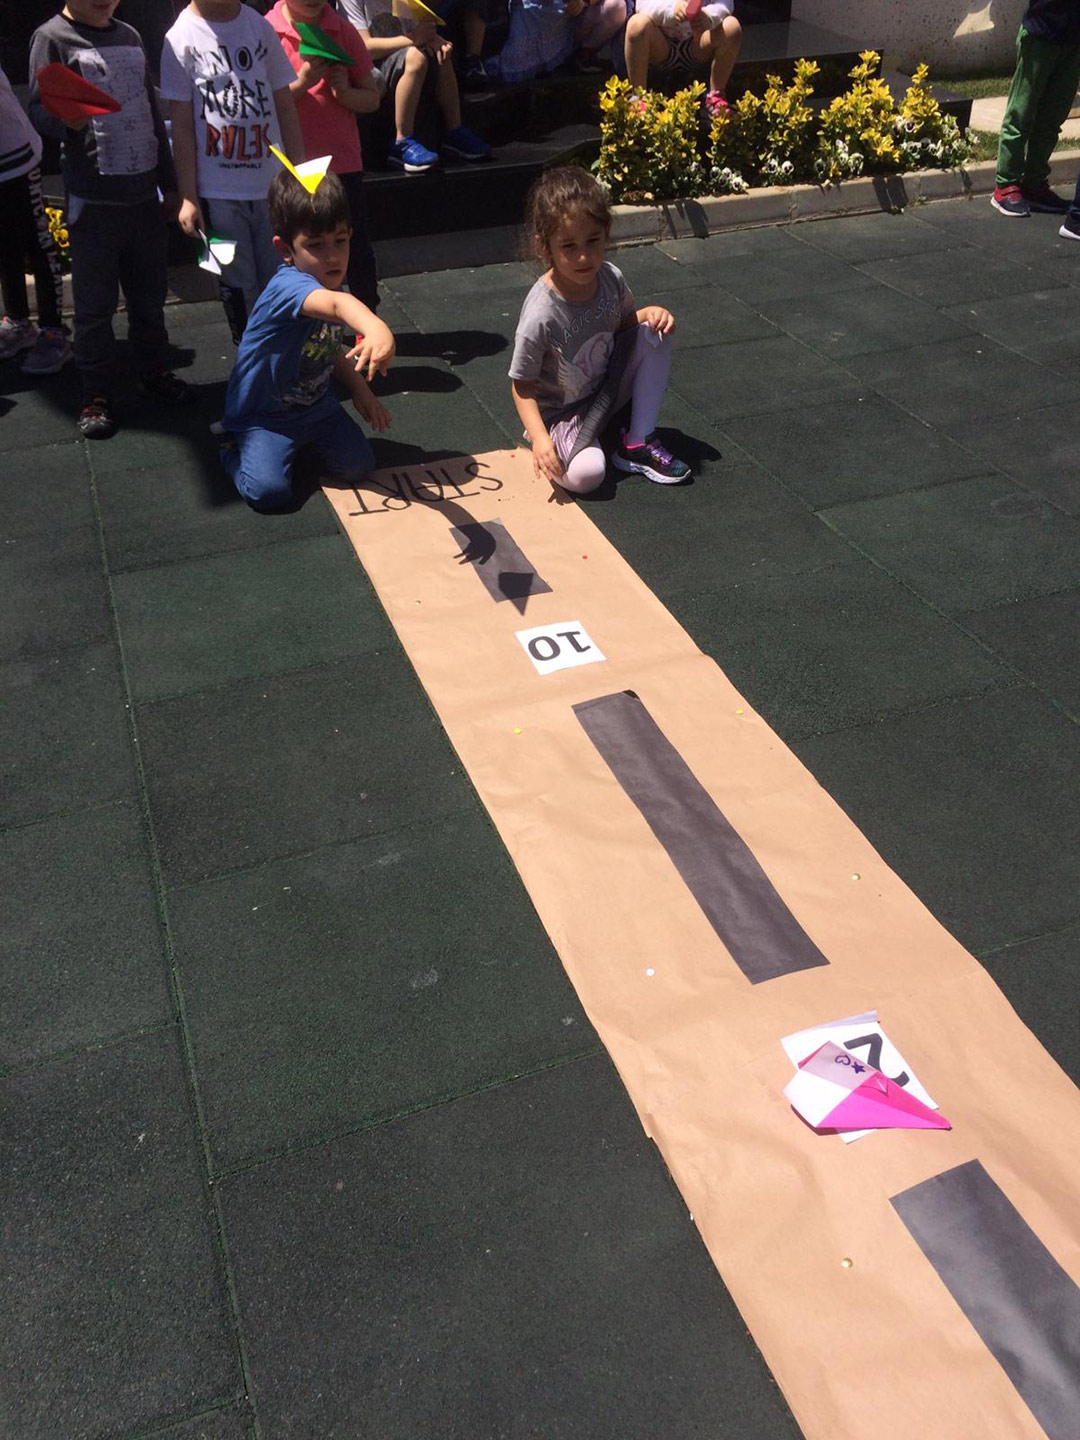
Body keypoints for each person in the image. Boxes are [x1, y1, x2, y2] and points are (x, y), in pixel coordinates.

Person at [28, 0, 189, 438]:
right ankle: (96, 392)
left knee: (149, 295)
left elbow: (151, 111)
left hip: (144, 196)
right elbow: (38, 109)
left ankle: (153, 370)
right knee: (94, 307)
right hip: (94, 202)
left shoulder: (130, 35)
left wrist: (170, 184)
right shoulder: (52, 38)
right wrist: (68, 122)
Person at [219, 166, 395, 511]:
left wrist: (360, 390)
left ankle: (301, 446)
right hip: (265, 416)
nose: (332, 256)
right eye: (315, 245)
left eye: (340, 241)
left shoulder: (330, 283)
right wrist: (377, 328)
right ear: (285, 249)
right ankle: (230, 448)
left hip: (316, 408)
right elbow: (339, 305)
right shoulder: (289, 287)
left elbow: (327, 350)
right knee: (268, 493)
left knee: (358, 467)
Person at [509, 165, 690, 495]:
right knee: (587, 475)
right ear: (544, 247)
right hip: (562, 415)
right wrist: (539, 438)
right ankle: (595, 436)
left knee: (656, 331)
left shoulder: (610, 278)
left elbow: (621, 327)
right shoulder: (541, 313)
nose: (584, 256)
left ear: (606, 234)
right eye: (569, 246)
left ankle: (637, 442)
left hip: (605, 390)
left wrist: (649, 314)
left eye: (593, 241)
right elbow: (521, 385)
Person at [161, 0, 305, 341]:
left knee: (283, 275)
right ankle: (251, 354)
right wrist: (188, 196)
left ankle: (284, 354)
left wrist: (302, 174)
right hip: (218, 193)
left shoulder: (258, 27)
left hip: (272, 186)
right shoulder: (180, 37)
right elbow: (181, 125)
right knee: (238, 282)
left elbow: (284, 105)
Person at [267, 0, 381, 309]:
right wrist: (302, 82)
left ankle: (367, 317)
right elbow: (264, 104)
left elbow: (371, 99)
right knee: (306, 249)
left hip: (342, 163)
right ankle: (310, 320)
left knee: (354, 246)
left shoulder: (342, 30)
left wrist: (345, 93)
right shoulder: (267, 31)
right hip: (293, 168)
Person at [336, 0, 489, 171]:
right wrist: (412, 39)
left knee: (442, 54)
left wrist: (436, 40)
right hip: (371, 69)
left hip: (404, 57)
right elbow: (363, 48)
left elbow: (418, 32)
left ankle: (454, 130)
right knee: (415, 58)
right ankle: (402, 141)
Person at [0, 60, 70, 374]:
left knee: (37, 241)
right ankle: (18, 322)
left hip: (16, 157)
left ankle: (53, 331)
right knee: (5, 244)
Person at [993, 0, 1080, 217]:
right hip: (1040, 32)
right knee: (1021, 113)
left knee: (1052, 118)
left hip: (1073, 38)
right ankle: (1005, 185)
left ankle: (1034, 183)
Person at [624, 0, 741, 116]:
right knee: (636, 24)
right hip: (661, 44)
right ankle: (639, 97)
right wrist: (671, 9)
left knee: (731, 26)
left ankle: (716, 95)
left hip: (699, 44)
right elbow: (643, 5)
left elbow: (725, 3)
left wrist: (709, 16)